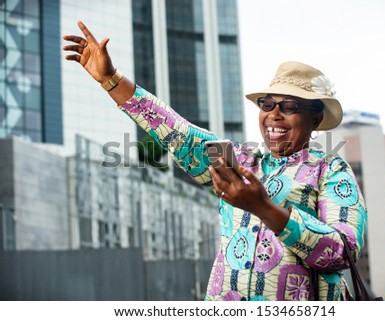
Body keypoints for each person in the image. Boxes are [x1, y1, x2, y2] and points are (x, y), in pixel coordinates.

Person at [63, 21, 368, 301]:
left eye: (289, 105)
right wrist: (110, 80)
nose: (274, 113)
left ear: (315, 118)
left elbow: (342, 254)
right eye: (268, 103)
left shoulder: (331, 171)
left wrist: (264, 208)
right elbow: (174, 130)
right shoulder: (241, 161)